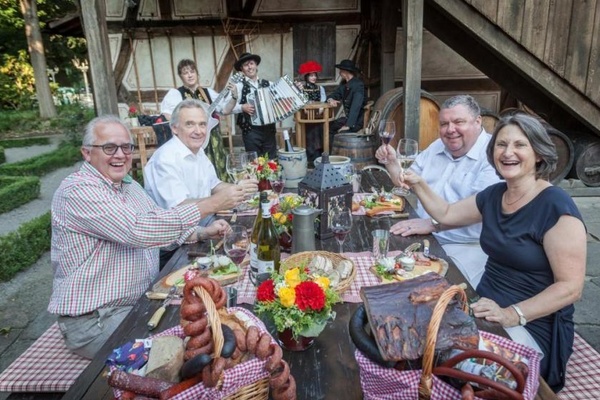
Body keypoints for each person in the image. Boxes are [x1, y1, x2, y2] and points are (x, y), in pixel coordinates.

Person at [396, 113, 586, 392]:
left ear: (539, 155)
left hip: (530, 322)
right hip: (483, 307)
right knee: (412, 338)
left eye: (520, 145)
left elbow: (571, 288)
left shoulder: (556, 206)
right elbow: (446, 213)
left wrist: (512, 314)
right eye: (501, 144)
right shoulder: (495, 194)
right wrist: (418, 183)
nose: (508, 152)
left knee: (457, 365)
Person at [48, 115, 245, 359]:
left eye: (126, 147)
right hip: (98, 319)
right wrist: (210, 204)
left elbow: (157, 221)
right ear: (87, 153)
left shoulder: (127, 185)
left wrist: (202, 232)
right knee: (191, 355)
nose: (120, 155)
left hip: (142, 302)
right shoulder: (77, 191)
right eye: (109, 147)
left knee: (221, 328)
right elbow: (139, 230)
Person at [376, 95, 501, 288]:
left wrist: (434, 223)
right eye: (444, 124)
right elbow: (406, 181)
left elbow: (481, 209)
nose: (450, 130)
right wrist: (392, 162)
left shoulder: (493, 154)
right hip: (425, 236)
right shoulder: (437, 146)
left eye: (459, 122)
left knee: (428, 292)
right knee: (378, 266)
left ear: (478, 122)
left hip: (466, 245)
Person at [145, 99, 258, 219]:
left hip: (207, 225)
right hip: (182, 235)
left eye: (202, 124)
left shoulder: (198, 152)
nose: (198, 131)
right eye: (190, 124)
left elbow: (214, 185)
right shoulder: (166, 158)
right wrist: (220, 200)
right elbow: (179, 208)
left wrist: (238, 189)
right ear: (174, 128)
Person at [160, 59, 237, 181]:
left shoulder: (208, 92)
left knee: (218, 167)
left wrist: (234, 97)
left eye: (192, 71)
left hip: (213, 138)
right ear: (181, 76)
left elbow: (225, 110)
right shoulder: (176, 94)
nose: (190, 75)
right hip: (192, 139)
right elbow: (168, 114)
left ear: (197, 74)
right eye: (185, 73)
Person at [231, 52, 278, 160]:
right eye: (246, 65)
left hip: (269, 129)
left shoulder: (269, 84)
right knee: (254, 163)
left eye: (251, 63)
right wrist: (242, 107)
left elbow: (279, 99)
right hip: (250, 130)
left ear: (256, 65)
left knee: (271, 161)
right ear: (242, 69)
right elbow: (226, 107)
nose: (249, 67)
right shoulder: (238, 87)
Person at [326, 59, 366, 151]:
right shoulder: (344, 85)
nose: (339, 73)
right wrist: (331, 99)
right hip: (348, 119)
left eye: (340, 70)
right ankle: (331, 154)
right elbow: (334, 95)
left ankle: (335, 154)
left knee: (332, 131)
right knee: (327, 126)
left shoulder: (358, 84)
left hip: (356, 121)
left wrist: (349, 124)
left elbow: (356, 106)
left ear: (345, 72)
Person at [296, 60, 327, 163]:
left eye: (315, 75)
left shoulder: (320, 88)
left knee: (318, 133)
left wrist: (320, 108)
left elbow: (323, 101)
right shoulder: (302, 89)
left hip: (318, 117)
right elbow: (300, 101)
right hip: (306, 117)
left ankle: (318, 156)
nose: (314, 77)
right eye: (311, 76)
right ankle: (309, 157)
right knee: (309, 135)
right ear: (306, 77)